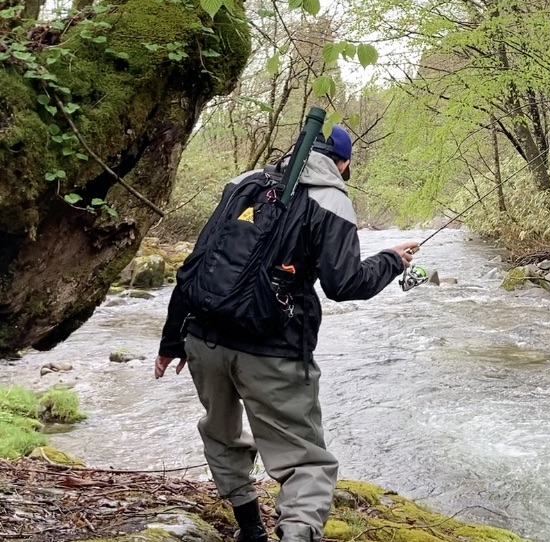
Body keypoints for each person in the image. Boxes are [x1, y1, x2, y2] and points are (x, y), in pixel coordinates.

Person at [155, 124, 418, 542]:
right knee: (305, 462)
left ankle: (251, 530)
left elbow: (197, 261)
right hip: (273, 351)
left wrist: (171, 341)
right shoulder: (332, 200)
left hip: (203, 339)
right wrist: (390, 260)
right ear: (343, 163)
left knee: (221, 435)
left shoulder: (244, 183)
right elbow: (345, 285)